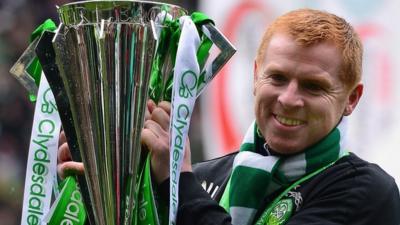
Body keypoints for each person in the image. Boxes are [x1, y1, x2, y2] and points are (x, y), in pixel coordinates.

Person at [58, 8, 400, 225]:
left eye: (313, 86)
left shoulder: (366, 192)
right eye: (277, 78)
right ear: (255, 77)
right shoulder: (208, 176)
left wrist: (178, 180)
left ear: (351, 99)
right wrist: (103, 192)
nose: (289, 98)